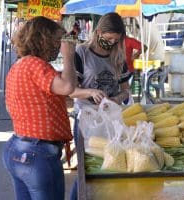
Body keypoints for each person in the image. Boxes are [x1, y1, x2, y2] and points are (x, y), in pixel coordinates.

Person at [3, 16, 76, 200]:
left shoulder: (20, 65)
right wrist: (69, 56)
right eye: (57, 41)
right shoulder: (36, 65)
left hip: (18, 147)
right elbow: (67, 87)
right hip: (37, 152)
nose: (59, 46)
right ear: (44, 40)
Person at [69, 12, 131, 200]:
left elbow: (126, 91)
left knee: (110, 166)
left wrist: (116, 99)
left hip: (111, 120)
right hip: (86, 119)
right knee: (86, 169)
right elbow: (71, 90)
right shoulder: (81, 53)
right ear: (98, 32)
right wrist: (90, 93)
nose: (111, 42)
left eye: (116, 39)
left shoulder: (119, 56)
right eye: (108, 38)